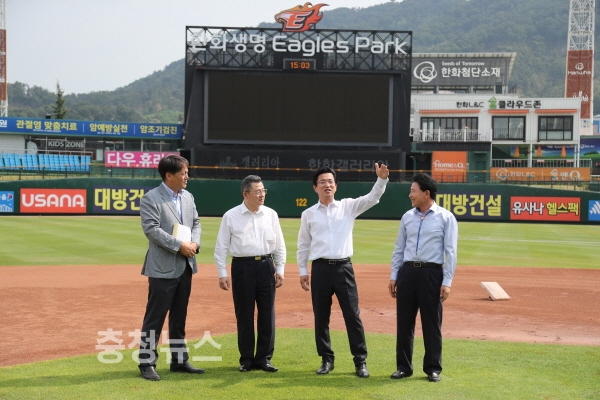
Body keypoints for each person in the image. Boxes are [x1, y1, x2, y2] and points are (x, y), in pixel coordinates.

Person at [297, 164, 389, 378]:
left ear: (336, 186)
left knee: (352, 315)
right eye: (322, 182)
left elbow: (372, 198)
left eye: (330, 181)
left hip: (343, 268)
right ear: (315, 187)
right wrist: (302, 270)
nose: (327, 185)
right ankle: (326, 359)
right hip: (320, 269)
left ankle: (360, 361)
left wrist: (381, 180)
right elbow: (303, 245)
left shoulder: (348, 206)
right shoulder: (308, 214)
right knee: (321, 317)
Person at [137, 155, 203, 381]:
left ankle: (179, 360)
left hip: (185, 265)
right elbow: (151, 229)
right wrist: (179, 246)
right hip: (162, 267)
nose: (187, 177)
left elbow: (196, 223)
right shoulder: (151, 198)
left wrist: (194, 244)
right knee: (155, 317)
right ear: (169, 175)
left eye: (187, 172)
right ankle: (146, 362)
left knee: (179, 316)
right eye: (183, 173)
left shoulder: (188, 197)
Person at [388, 173, 458, 383]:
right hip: (408, 272)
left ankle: (433, 368)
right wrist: (394, 275)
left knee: (431, 323)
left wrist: (447, 282)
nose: (410, 195)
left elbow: (451, 252)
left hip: (431, 274)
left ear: (426, 193)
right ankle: (403, 367)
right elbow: (399, 248)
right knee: (404, 322)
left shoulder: (446, 217)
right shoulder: (407, 217)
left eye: (413, 191)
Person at [214, 175, 286, 373]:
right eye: (258, 191)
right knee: (244, 314)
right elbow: (221, 247)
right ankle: (246, 359)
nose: (262, 194)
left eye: (263, 190)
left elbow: (279, 244)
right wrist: (222, 273)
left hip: (266, 266)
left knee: (267, 313)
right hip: (242, 267)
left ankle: (264, 359)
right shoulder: (231, 216)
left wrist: (280, 268)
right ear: (246, 194)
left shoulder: (271, 214)